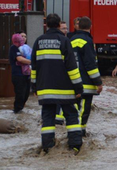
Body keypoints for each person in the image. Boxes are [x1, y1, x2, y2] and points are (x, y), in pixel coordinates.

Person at [31, 13, 84, 153]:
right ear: (59, 24)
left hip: (45, 89)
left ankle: (47, 146)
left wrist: (34, 86)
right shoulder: (64, 41)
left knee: (47, 117)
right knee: (72, 115)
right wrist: (78, 87)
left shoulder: (38, 41)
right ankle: (75, 145)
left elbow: (34, 67)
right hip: (64, 89)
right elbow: (72, 67)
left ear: (46, 24)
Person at [70, 16, 103, 136]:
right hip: (86, 82)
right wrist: (98, 82)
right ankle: (81, 130)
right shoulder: (88, 41)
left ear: (78, 26)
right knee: (85, 107)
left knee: (74, 106)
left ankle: (72, 129)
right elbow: (90, 64)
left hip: (73, 80)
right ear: (90, 27)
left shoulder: (71, 39)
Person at [9, 33, 31, 113]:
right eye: (22, 36)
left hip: (27, 74)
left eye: (25, 36)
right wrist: (32, 62)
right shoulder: (14, 48)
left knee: (26, 94)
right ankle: (16, 111)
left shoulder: (26, 48)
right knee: (20, 94)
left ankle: (20, 110)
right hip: (18, 75)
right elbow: (20, 59)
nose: (24, 38)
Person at [55, 21, 69, 125]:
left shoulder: (66, 40)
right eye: (63, 28)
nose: (66, 30)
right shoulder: (62, 42)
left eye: (66, 28)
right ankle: (58, 119)